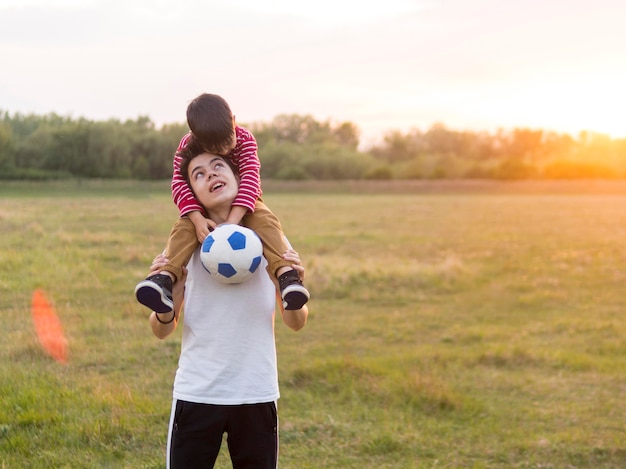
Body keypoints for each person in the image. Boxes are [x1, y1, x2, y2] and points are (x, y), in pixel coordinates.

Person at [148, 148, 309, 468]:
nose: (210, 175)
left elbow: (296, 322)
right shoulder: (183, 246)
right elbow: (160, 329)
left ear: (239, 178)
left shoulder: (271, 239)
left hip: (256, 391)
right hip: (197, 391)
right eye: (199, 174)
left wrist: (286, 283)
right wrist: (171, 297)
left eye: (218, 166)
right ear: (192, 195)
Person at [135, 93, 309, 314]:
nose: (226, 149)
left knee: (266, 220)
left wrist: (232, 224)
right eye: (217, 148)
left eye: (228, 142)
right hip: (200, 209)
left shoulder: (245, 138)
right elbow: (179, 184)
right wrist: (197, 219)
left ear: (233, 120)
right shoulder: (187, 146)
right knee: (183, 228)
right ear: (197, 138)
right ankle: (164, 279)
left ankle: (287, 276)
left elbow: (250, 179)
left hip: (248, 201)